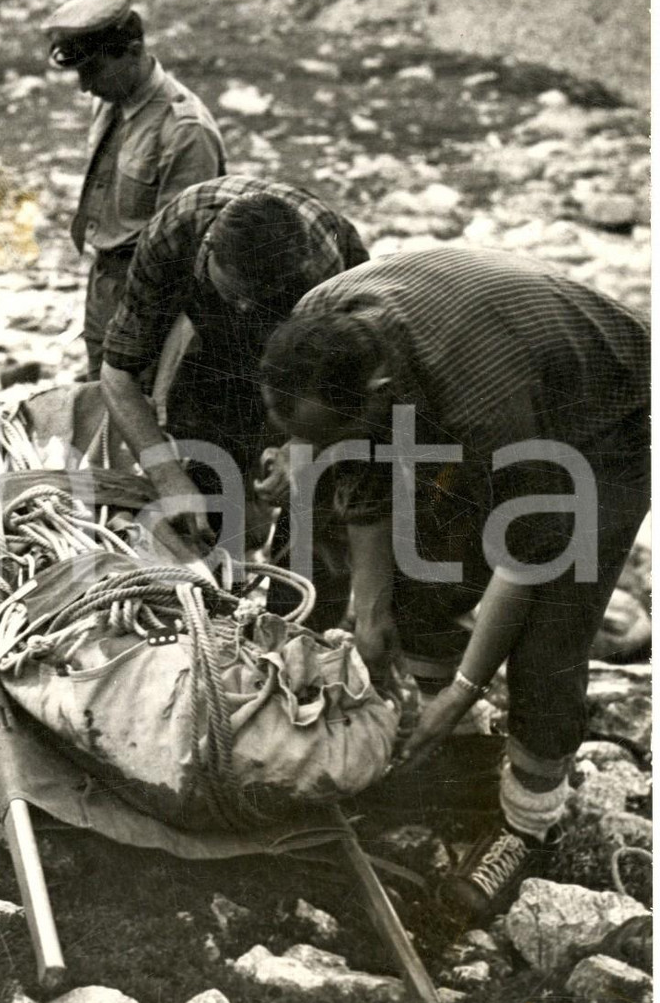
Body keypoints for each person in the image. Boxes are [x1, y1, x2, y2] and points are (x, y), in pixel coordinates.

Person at [259, 246, 650, 922]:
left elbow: (526, 557)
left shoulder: (481, 411)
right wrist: (372, 611)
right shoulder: (318, 324)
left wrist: (469, 681)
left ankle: (528, 820)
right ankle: (456, 735)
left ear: (379, 396)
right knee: (419, 570)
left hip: (602, 414)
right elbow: (357, 462)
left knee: (550, 632)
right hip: (479, 356)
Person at [99, 174, 369, 557]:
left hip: (314, 344)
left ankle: (301, 609)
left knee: (318, 489)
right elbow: (117, 371)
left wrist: (300, 447)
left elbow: (336, 391)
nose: (244, 307)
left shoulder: (321, 266)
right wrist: (167, 476)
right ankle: (222, 588)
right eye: (237, 292)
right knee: (205, 468)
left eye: (256, 298)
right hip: (213, 338)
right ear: (208, 250)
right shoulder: (175, 231)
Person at [41, 0, 226, 378]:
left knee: (137, 405)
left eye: (93, 69)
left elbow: (183, 251)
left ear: (134, 50)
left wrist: (148, 326)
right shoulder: (110, 102)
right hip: (105, 283)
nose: (84, 85)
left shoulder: (184, 129)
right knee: (98, 398)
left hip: (151, 299)